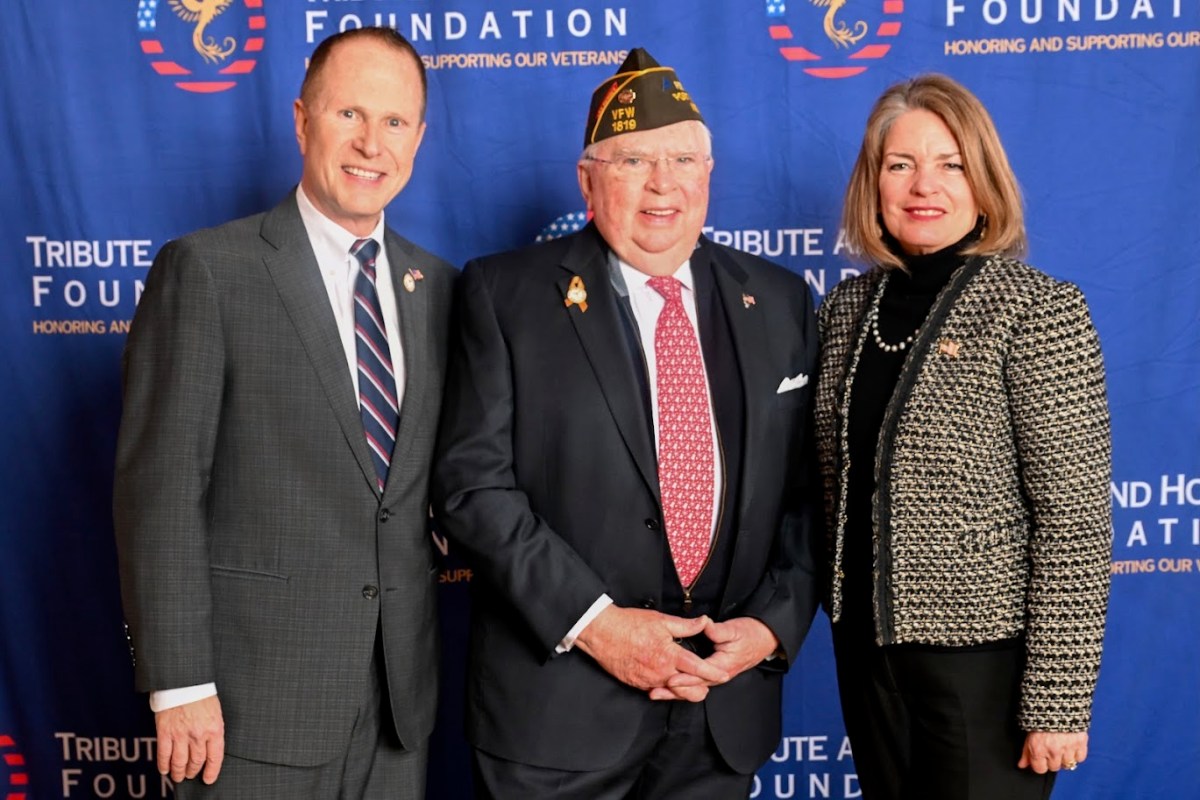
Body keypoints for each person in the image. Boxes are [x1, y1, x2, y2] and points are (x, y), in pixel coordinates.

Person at [432, 48, 821, 799]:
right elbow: (472, 488)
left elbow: (812, 492)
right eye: (633, 160)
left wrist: (772, 626)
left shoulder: (777, 300)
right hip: (558, 718)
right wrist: (601, 626)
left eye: (682, 158)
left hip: (720, 710)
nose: (662, 184)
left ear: (710, 174)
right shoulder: (504, 294)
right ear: (587, 180)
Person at [112, 27, 455, 799]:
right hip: (245, 709)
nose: (372, 143)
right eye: (349, 115)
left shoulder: (437, 289)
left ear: (420, 138)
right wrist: (179, 684)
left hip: (399, 708)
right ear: (302, 120)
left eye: (395, 122)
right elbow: (159, 493)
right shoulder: (208, 271)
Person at [813, 73, 1112, 799]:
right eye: (900, 164)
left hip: (984, 672)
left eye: (950, 164)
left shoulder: (1038, 311)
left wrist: (1059, 700)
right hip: (865, 657)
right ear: (873, 184)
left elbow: (1075, 518)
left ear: (983, 183)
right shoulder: (845, 310)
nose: (925, 186)